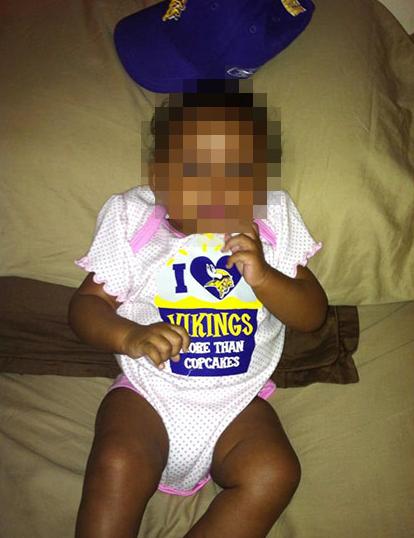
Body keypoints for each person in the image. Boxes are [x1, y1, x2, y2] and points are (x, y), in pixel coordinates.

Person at [69, 80, 327, 538]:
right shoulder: (136, 222)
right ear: (158, 178)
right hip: (149, 395)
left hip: (237, 404)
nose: (218, 187)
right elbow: (87, 306)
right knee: (118, 459)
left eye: (238, 170)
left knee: (275, 472)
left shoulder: (272, 223)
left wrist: (264, 277)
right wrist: (129, 336)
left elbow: (312, 315)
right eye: (195, 169)